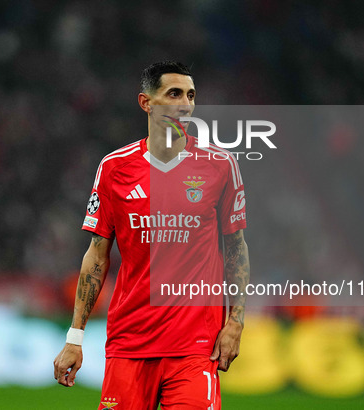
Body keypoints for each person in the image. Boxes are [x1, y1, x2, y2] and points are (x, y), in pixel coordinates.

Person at [53, 61, 250, 409]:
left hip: (194, 347)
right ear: (146, 102)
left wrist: (235, 322)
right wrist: (75, 337)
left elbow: (236, 247)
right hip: (129, 343)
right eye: (173, 94)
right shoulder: (115, 168)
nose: (184, 104)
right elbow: (97, 255)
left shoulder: (220, 165)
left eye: (190, 95)